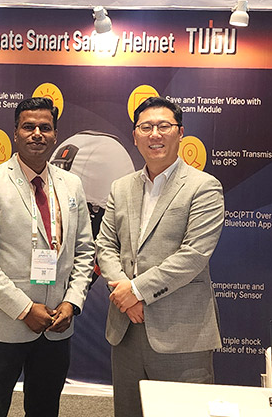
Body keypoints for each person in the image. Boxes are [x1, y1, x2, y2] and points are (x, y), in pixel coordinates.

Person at [0, 97, 95, 417]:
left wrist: (72, 303)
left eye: (45, 128)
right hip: (4, 324)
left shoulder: (72, 184)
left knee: (44, 409)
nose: (37, 133)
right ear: (16, 133)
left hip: (57, 324)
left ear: (55, 135)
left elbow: (85, 251)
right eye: (28, 127)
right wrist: (24, 309)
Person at [95, 96, 225, 417]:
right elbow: (105, 245)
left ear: (180, 133)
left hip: (180, 334)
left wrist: (136, 291)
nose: (155, 134)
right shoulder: (120, 188)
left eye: (163, 126)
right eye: (146, 127)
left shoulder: (204, 187)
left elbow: (193, 255)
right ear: (135, 135)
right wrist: (125, 294)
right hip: (127, 328)